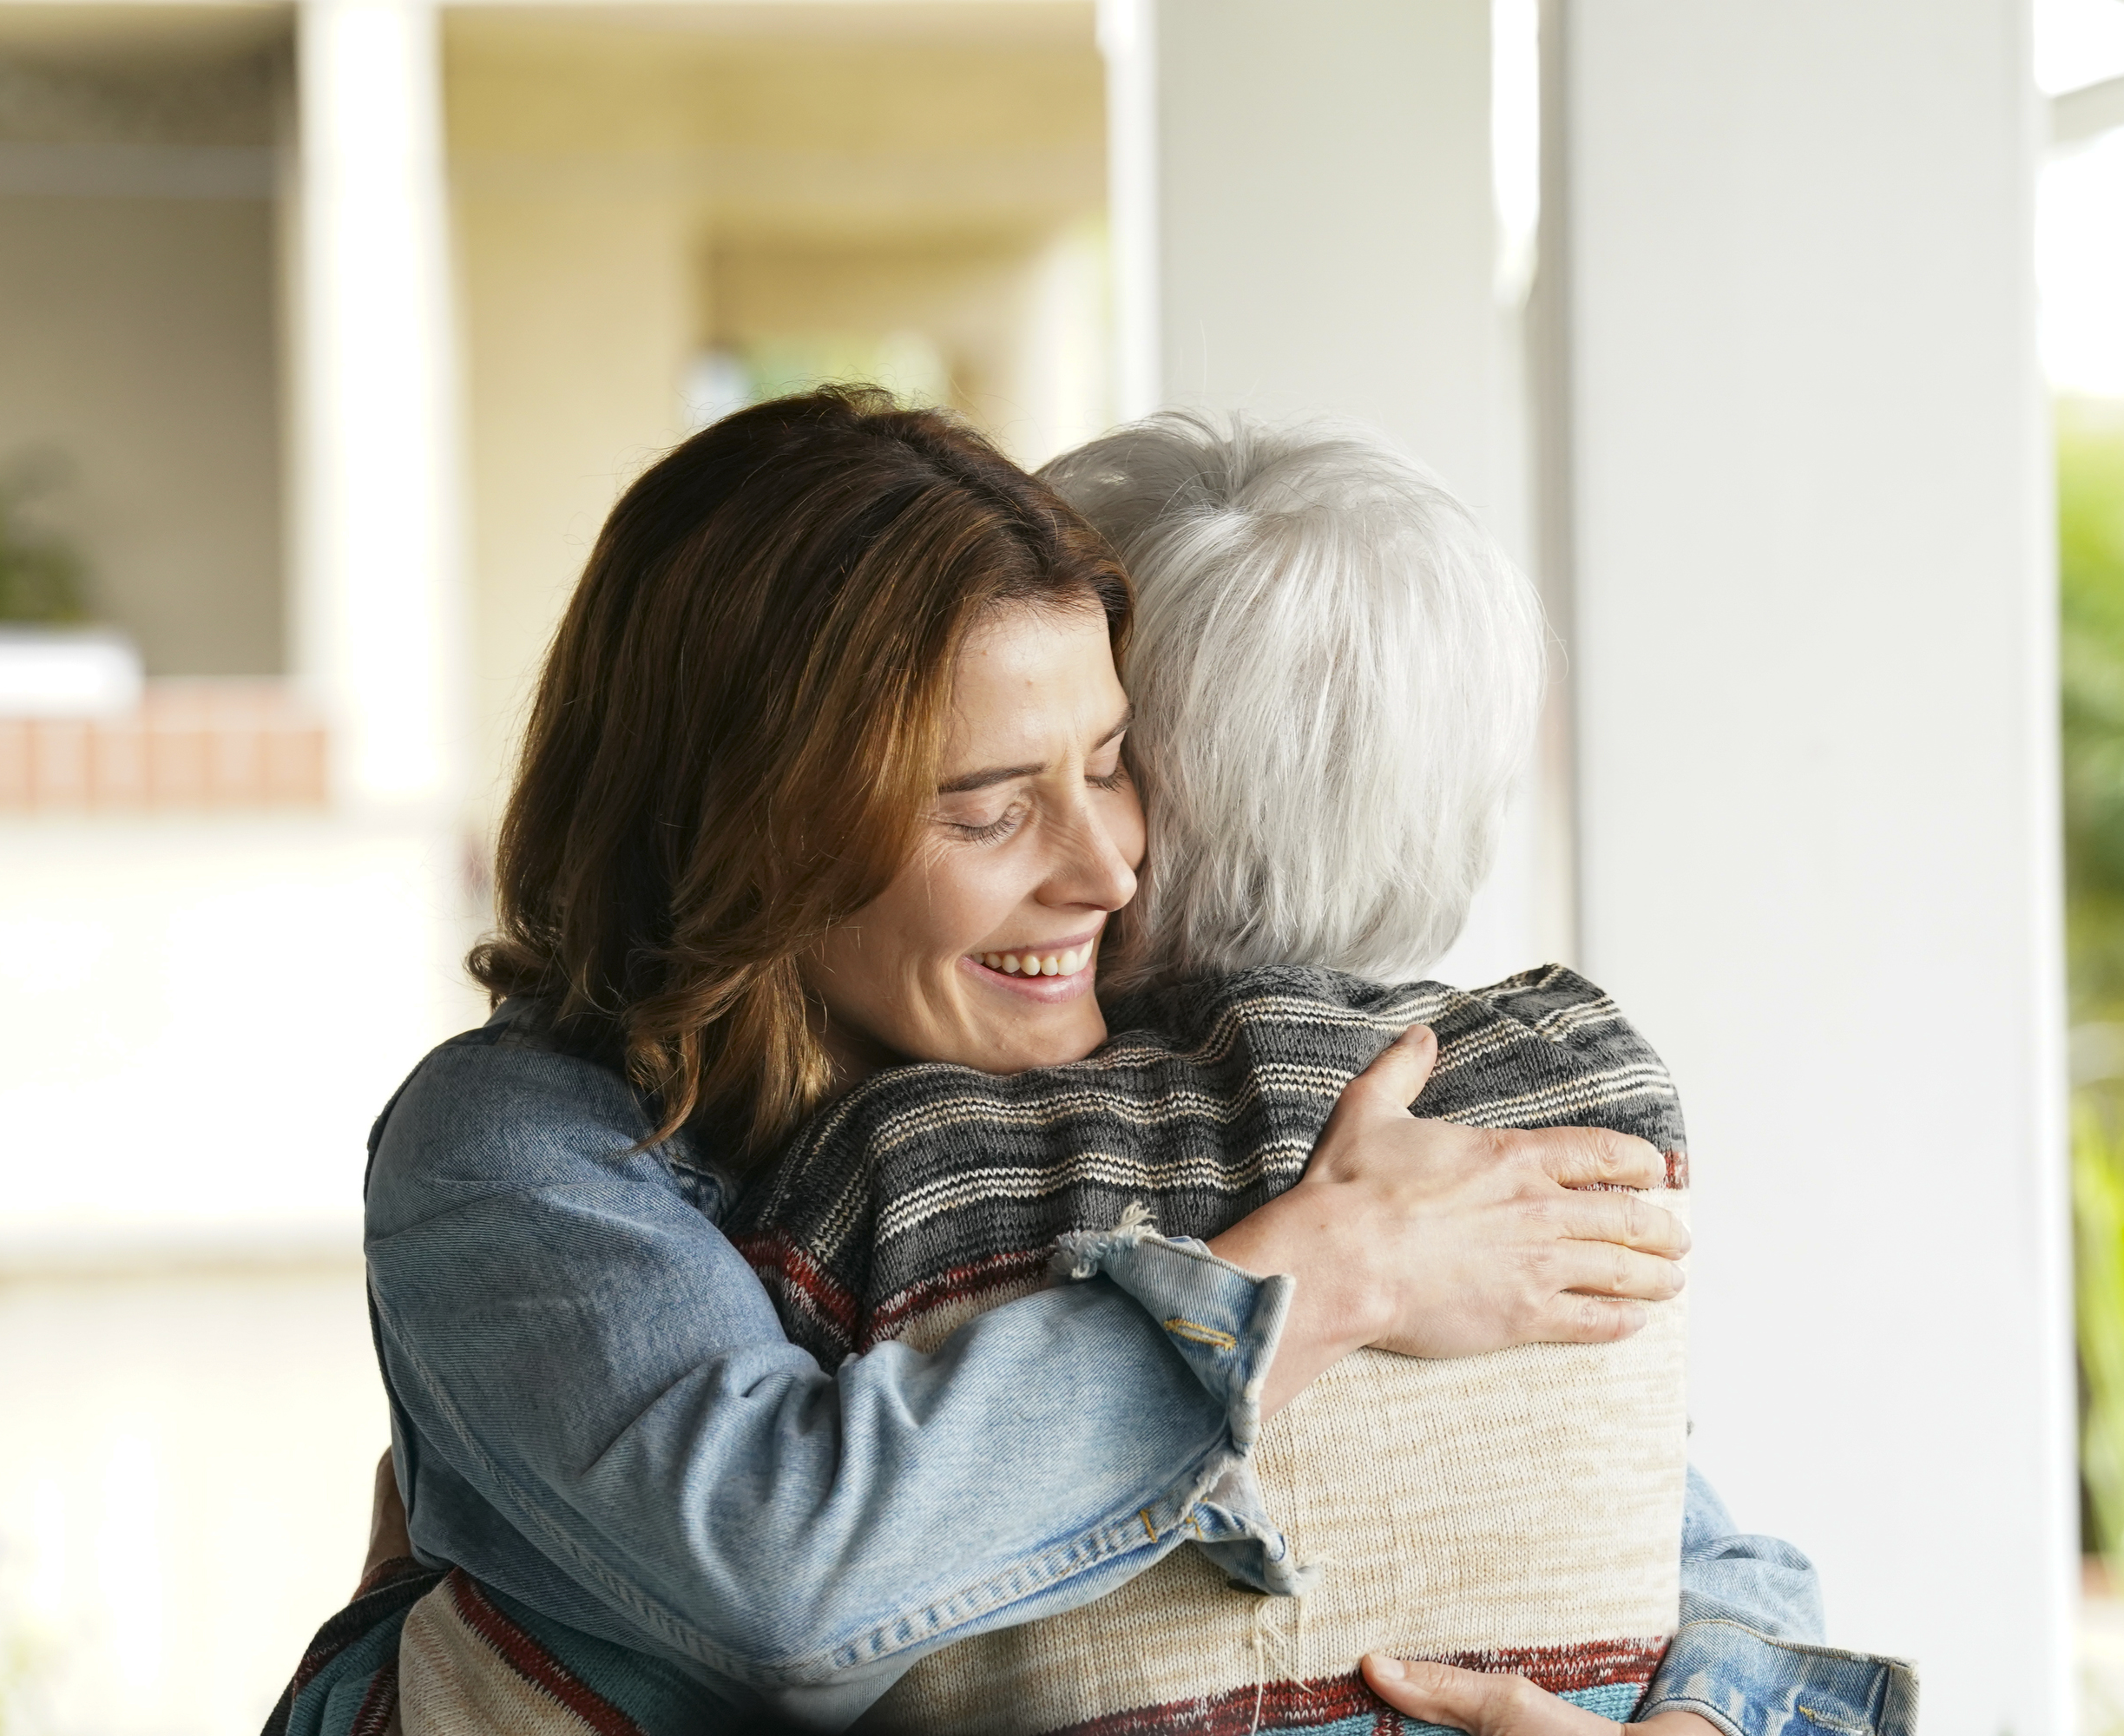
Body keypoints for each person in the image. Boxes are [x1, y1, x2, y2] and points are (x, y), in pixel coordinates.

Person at [267, 390, 1694, 1736]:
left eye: (1110, 765)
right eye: (985, 810)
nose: (1108, 869)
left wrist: (1709, 1710)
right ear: (752, 827)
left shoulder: (1117, 1087)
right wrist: (1316, 1281)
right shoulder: (518, 1143)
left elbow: (1666, 1506)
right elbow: (784, 1577)